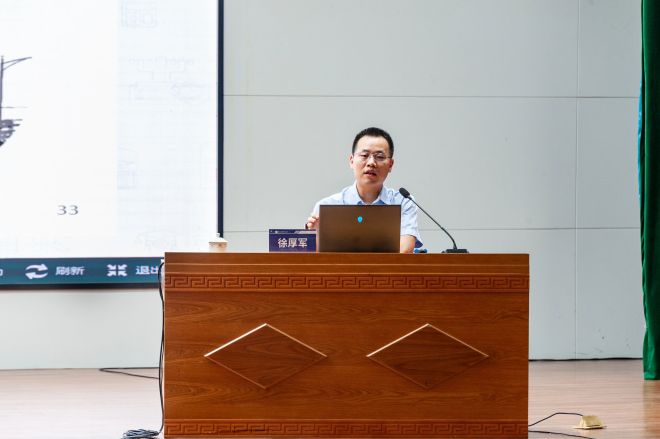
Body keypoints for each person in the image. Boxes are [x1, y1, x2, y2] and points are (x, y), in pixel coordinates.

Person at [305, 127, 422, 253]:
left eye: (379, 157)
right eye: (364, 155)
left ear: (390, 165)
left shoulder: (403, 202)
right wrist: (315, 238)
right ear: (351, 161)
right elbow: (316, 258)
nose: (371, 163)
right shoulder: (327, 206)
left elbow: (405, 249)